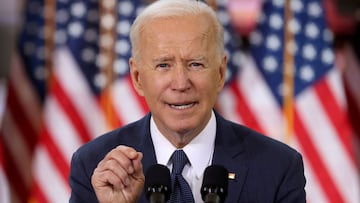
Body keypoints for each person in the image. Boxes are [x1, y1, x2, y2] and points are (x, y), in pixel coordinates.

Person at [69, 0, 306, 202]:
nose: (181, 83)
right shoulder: (95, 166)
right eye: (163, 65)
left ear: (221, 73)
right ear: (138, 77)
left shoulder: (278, 167)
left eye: (196, 64)